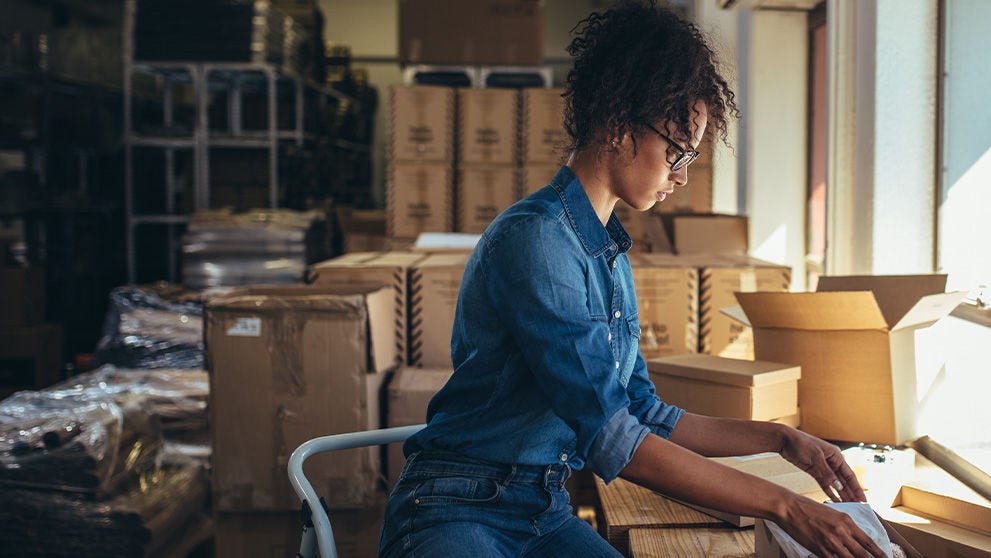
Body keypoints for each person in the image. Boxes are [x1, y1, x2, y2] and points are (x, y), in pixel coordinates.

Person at [379, 2, 886, 556]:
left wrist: (780, 438)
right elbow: (610, 437)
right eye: (676, 150)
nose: (683, 174)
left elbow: (643, 413)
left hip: (541, 509)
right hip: (456, 506)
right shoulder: (538, 240)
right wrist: (785, 505)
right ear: (621, 125)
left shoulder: (609, 252)